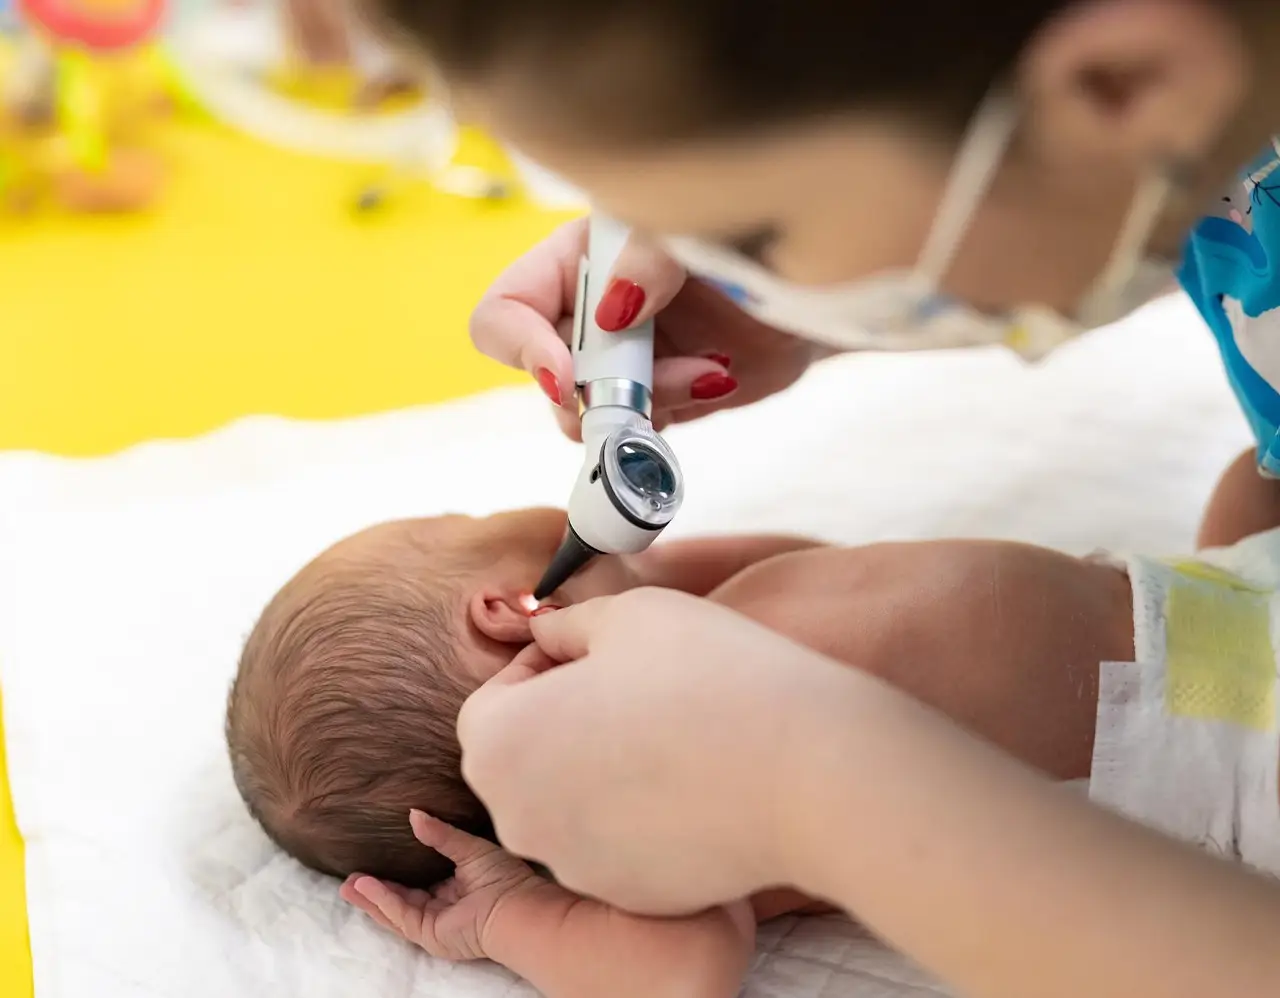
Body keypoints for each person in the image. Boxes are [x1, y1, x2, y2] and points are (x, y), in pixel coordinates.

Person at [341, 2, 1280, 995]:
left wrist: (796, 781)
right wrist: (806, 299)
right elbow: (684, 958)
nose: (710, 273)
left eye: (753, 234)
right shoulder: (650, 781)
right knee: (1250, 481)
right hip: (1225, 623)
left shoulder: (687, 741)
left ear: (1120, 86)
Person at [229, 510, 1134, 994]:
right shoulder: (658, 817)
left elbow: (809, 553)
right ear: (506, 606)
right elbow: (681, 978)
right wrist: (505, 918)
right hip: (1217, 731)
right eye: (460, 517)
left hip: (1185, 606)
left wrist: (631, 586)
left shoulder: (708, 633)